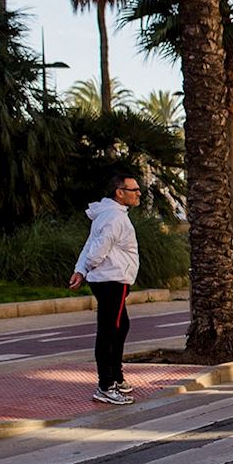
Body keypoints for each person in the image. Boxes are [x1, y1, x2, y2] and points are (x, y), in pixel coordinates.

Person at [69, 173, 142, 406]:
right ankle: (106, 385)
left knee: (120, 327)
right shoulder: (114, 217)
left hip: (108, 280)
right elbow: (98, 248)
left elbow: (90, 243)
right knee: (110, 331)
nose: (138, 193)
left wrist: (81, 270)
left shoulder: (107, 214)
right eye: (134, 189)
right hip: (112, 280)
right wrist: (86, 267)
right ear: (119, 192)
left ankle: (116, 378)